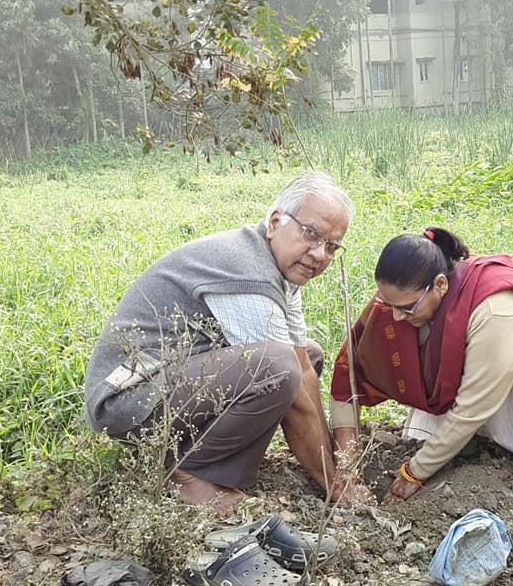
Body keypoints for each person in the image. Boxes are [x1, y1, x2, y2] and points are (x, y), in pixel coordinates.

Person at [83, 172, 366, 515]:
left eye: (332, 246)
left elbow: (305, 369)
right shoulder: (245, 271)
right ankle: (188, 473)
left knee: (308, 353)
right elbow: (294, 396)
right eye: (311, 233)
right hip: (127, 399)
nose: (319, 254)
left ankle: (212, 465)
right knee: (276, 367)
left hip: (168, 382)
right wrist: (335, 484)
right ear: (275, 222)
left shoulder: (279, 268)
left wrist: (337, 466)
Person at [329, 227, 513, 504]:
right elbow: (348, 373)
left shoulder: (495, 308)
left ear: (440, 284)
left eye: (407, 308)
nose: (397, 317)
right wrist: (347, 470)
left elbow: (473, 406)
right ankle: (460, 437)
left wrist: (415, 471)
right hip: (481, 371)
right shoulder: (400, 300)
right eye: (389, 305)